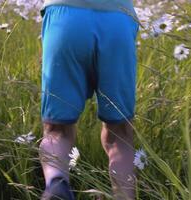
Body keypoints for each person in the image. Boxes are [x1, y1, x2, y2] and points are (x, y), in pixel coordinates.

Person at [38, 0, 139, 199]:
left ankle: (57, 184)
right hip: (117, 17)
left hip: (65, 17)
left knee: (57, 130)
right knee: (119, 133)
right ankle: (124, 197)